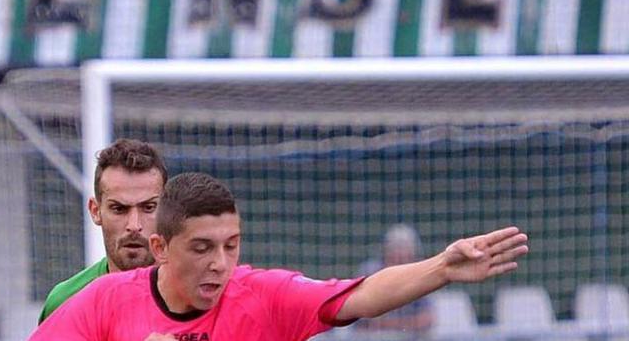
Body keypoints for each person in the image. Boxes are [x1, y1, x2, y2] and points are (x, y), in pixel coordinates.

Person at [30, 172, 529, 341]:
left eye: (231, 245)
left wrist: (441, 267)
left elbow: (359, 296)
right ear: (160, 248)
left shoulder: (263, 296)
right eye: (202, 249)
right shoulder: (104, 301)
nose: (220, 264)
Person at [38, 138, 169, 322]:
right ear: (95, 211)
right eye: (119, 209)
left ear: (168, 210)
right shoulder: (65, 301)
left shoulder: (201, 293)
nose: (134, 225)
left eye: (148, 207)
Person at [355, 224, 433, 338]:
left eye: (406, 248)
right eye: (396, 248)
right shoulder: (370, 272)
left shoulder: (420, 273)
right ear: (387, 250)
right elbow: (361, 318)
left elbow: (427, 319)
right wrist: (405, 324)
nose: (400, 254)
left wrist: (393, 325)